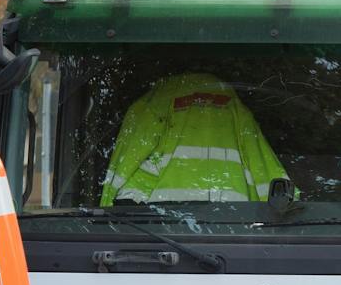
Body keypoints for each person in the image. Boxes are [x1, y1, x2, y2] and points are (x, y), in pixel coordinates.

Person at [101, 72, 288, 206]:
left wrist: (106, 215)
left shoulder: (155, 100)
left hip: (161, 237)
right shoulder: (234, 105)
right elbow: (268, 174)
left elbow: (124, 164)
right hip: (232, 235)